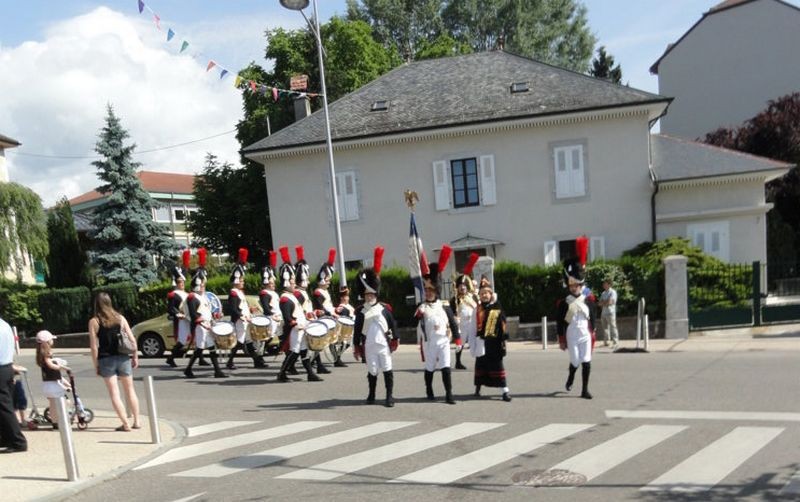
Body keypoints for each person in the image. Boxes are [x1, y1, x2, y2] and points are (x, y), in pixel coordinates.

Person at [88, 293, 142, 431]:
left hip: (106, 359)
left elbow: (94, 346)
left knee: (114, 393)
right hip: (123, 357)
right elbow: (131, 339)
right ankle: (137, 421)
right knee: (130, 390)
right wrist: (135, 356)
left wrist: (96, 365)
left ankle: (125, 424)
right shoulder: (120, 318)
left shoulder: (95, 321)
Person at [416, 245, 461, 405]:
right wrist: (419, 313)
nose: (428, 293)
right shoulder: (422, 307)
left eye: (431, 290)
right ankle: (429, 389)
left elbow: (453, 324)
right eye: (426, 290)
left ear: (436, 290)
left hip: (443, 342)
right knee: (429, 368)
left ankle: (449, 394)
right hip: (429, 343)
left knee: (446, 367)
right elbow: (418, 322)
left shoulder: (445, 305)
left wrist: (457, 339)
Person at [353, 246, 398, 407]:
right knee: (372, 371)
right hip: (369, 346)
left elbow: (393, 325)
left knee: (387, 369)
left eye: (371, 294)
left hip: (383, 345)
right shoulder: (360, 311)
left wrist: (396, 339)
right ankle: (371, 394)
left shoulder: (385, 309)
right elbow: (357, 331)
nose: (369, 296)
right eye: (366, 294)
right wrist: (356, 347)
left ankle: (389, 396)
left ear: (376, 294)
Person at [556, 237, 597, 400]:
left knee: (586, 360)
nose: (574, 288)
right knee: (575, 361)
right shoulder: (564, 302)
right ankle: (571, 376)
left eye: (576, 285)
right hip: (571, 335)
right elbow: (560, 321)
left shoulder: (589, 299)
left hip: (585, 335)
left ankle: (584, 390)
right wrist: (561, 338)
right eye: (571, 285)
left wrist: (593, 330)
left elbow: (593, 316)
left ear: (581, 285)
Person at [277, 246, 320, 382]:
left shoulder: (291, 296)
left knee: (303, 350)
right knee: (295, 352)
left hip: (300, 327)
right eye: (291, 281)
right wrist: (294, 323)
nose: (294, 283)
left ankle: (310, 373)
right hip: (294, 329)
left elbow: (299, 311)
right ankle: (282, 373)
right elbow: (287, 316)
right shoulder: (285, 298)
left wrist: (307, 317)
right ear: (286, 282)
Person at [184, 248, 228, 379]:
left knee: (210, 347)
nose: (204, 286)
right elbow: (193, 314)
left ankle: (217, 371)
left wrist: (215, 316)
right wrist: (202, 323)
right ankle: (188, 369)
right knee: (200, 348)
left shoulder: (203, 296)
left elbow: (207, 311)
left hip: (207, 324)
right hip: (200, 326)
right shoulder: (192, 297)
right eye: (202, 284)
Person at [473, 276, 512, 402]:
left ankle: (505, 391)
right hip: (481, 341)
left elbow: (503, 321)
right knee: (481, 365)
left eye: (486, 293)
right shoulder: (477, 309)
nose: (484, 295)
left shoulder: (496, 306)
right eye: (482, 293)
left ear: (491, 294)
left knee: (497, 366)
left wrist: (504, 335)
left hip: (494, 343)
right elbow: (472, 324)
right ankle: (478, 388)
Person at [227, 248, 266, 370]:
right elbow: (233, 308)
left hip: (245, 319)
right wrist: (241, 316)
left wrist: (249, 309)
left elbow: (241, 306)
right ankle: (230, 361)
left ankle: (257, 361)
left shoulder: (239, 292)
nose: (243, 282)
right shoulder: (233, 293)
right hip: (240, 321)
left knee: (248, 341)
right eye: (242, 280)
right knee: (240, 341)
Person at [293, 246, 329, 377]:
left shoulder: (302, 292)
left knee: (311, 345)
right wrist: (307, 315)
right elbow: (299, 310)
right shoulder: (298, 293)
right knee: (299, 350)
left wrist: (315, 312)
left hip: (308, 321)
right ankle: (289, 370)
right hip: (301, 323)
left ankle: (316, 367)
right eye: (306, 279)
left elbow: (307, 308)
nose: (308, 281)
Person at [313, 248, 347, 368]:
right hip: (323, 318)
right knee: (321, 342)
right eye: (327, 280)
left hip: (330, 317)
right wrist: (331, 313)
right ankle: (314, 362)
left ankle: (336, 359)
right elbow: (320, 307)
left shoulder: (324, 291)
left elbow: (328, 305)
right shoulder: (318, 292)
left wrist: (335, 310)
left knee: (333, 340)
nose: (329, 283)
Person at [0, 315, 27, 452]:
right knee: (6, 405)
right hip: (7, 367)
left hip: (1, 368)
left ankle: (18, 441)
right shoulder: (5, 325)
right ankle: (6, 437)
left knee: (4, 407)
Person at [450, 253, 480, 370]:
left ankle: (479, 362)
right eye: (460, 286)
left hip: (472, 323)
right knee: (460, 344)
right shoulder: (454, 300)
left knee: (475, 343)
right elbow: (451, 312)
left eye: (464, 286)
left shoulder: (472, 297)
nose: (462, 288)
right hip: (461, 325)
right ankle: (458, 362)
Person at [36, 331, 70, 429]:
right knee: (64, 401)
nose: (52, 341)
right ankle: (62, 419)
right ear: (47, 341)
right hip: (54, 385)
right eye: (51, 339)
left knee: (53, 404)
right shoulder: (47, 353)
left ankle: (55, 422)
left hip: (47, 384)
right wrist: (62, 367)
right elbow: (50, 365)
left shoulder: (40, 354)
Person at [166, 249, 191, 368]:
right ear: (176, 283)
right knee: (182, 341)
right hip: (181, 320)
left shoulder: (186, 293)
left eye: (183, 282)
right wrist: (178, 314)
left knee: (196, 338)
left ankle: (200, 358)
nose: (182, 284)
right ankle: (171, 358)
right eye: (180, 283)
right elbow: (170, 309)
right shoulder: (174, 294)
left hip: (189, 318)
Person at [258, 250, 283, 355]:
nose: (273, 284)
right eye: (271, 283)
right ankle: (260, 351)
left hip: (278, 316)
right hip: (271, 318)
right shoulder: (264, 293)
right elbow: (266, 308)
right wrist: (273, 316)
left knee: (282, 335)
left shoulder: (274, 293)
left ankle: (280, 350)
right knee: (269, 336)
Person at [599, 279, 619, 348]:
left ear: (609, 284)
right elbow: (599, 303)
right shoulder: (603, 293)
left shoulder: (612, 292)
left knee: (613, 327)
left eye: (605, 284)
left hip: (610, 312)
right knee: (605, 328)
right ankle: (606, 342)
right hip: (603, 312)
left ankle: (615, 342)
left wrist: (605, 302)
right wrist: (606, 302)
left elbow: (611, 302)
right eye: (603, 284)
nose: (604, 285)